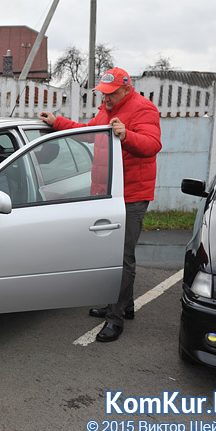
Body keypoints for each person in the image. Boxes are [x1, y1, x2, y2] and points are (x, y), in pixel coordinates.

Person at [39, 67, 162, 343]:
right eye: (102, 94)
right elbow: (88, 131)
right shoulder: (106, 110)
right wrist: (58, 122)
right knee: (111, 254)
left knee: (122, 258)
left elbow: (152, 144)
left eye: (110, 94)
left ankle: (115, 318)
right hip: (109, 191)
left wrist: (126, 135)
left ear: (126, 89)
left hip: (131, 194)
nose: (104, 99)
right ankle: (124, 306)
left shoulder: (144, 109)